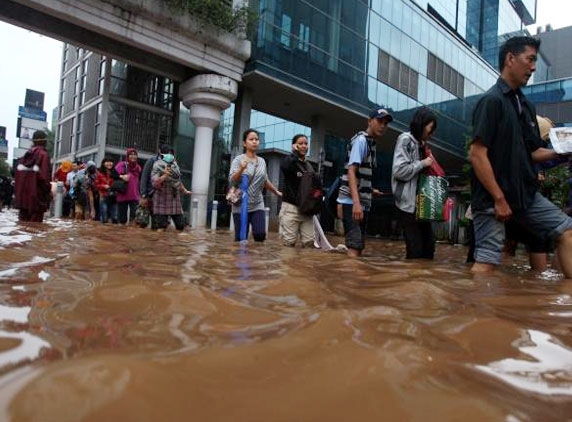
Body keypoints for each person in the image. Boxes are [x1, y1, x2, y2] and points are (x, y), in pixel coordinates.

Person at [469, 36, 572, 278]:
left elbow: (533, 152)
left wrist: (563, 151)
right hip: (492, 198)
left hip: (525, 195)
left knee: (567, 232)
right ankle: (475, 312)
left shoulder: (525, 106)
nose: (534, 67)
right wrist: (499, 198)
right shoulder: (491, 101)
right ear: (510, 59)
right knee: (488, 260)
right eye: (530, 60)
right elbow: (477, 155)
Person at [337, 106, 393, 257]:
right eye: (379, 121)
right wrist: (356, 203)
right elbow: (351, 171)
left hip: (360, 202)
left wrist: (370, 190)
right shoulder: (361, 141)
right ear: (369, 121)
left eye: (385, 123)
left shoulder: (370, 143)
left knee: (358, 247)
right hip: (352, 203)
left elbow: (360, 174)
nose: (383, 126)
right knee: (354, 248)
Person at [392, 107, 444, 259]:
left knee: (428, 249)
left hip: (422, 205)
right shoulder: (405, 139)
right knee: (415, 250)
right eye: (430, 129)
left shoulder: (422, 145)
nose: (432, 134)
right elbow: (399, 171)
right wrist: (423, 163)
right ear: (421, 124)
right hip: (407, 206)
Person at [229, 129, 282, 242]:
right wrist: (242, 168)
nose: (254, 142)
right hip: (240, 205)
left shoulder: (262, 161)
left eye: (256, 139)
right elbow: (232, 180)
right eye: (251, 139)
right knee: (241, 239)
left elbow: (264, 180)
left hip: (257, 203)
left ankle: (255, 258)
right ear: (244, 143)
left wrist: (276, 191)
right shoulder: (238, 160)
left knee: (260, 235)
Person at [279, 134, 315, 247]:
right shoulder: (289, 161)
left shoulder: (309, 166)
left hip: (306, 210)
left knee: (309, 243)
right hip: (290, 209)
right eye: (300, 143)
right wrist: (294, 153)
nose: (304, 146)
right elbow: (285, 167)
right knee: (289, 244)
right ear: (294, 146)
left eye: (306, 143)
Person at [14, 130, 52, 222]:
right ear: (44, 141)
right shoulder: (44, 155)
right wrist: (48, 192)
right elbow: (44, 178)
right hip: (36, 199)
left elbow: (17, 176)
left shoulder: (26, 156)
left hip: (22, 199)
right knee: (36, 229)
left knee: (22, 227)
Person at [151, 146, 192, 232]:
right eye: (167, 153)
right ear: (162, 154)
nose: (169, 155)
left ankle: (176, 245)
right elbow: (154, 183)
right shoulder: (157, 165)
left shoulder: (175, 165)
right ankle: (160, 244)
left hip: (174, 199)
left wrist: (184, 190)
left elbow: (178, 181)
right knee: (162, 227)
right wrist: (164, 176)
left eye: (171, 153)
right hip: (162, 199)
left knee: (180, 226)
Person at [140, 143, 171, 229]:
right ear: (159, 151)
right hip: (152, 194)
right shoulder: (152, 161)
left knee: (161, 224)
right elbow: (144, 178)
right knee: (148, 222)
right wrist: (143, 195)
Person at [114, 148, 142, 225]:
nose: (133, 156)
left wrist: (141, 195)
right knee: (122, 221)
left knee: (134, 220)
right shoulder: (122, 164)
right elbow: (113, 174)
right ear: (127, 156)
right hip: (122, 196)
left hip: (134, 197)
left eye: (135, 154)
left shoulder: (138, 168)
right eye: (131, 154)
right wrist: (121, 176)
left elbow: (139, 182)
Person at [95, 157, 118, 224]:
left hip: (114, 197)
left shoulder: (115, 173)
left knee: (115, 218)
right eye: (107, 162)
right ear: (103, 163)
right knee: (104, 218)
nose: (109, 163)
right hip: (104, 196)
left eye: (111, 162)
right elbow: (96, 185)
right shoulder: (99, 173)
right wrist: (103, 186)